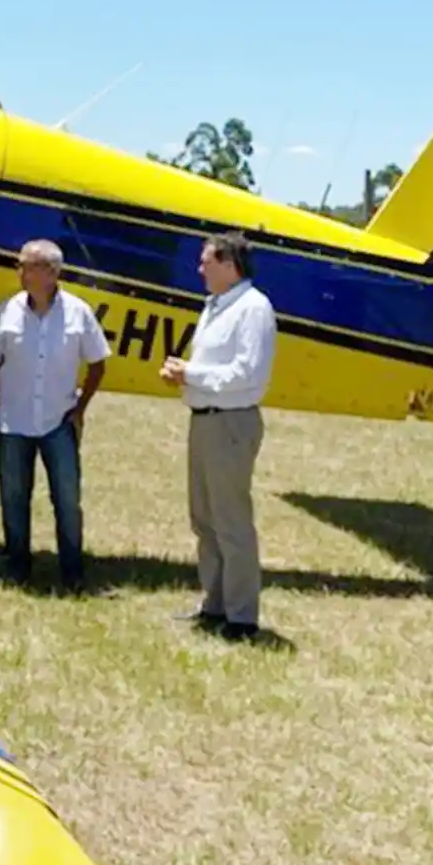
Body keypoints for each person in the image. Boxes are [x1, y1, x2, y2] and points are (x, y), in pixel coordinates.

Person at [158, 230, 276, 640]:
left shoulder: (253, 308)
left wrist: (189, 373)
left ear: (230, 265)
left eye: (207, 261)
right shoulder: (214, 306)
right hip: (205, 419)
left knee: (231, 521)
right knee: (204, 518)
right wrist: (185, 375)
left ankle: (242, 617)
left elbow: (248, 373)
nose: (200, 268)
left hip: (231, 424)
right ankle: (215, 604)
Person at [0, 239, 111, 591]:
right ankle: (18, 565)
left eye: (26, 265)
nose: (19, 271)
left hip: (58, 422)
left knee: (67, 499)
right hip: (13, 421)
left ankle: (73, 570)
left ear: (51, 273)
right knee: (14, 496)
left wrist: (80, 409)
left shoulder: (79, 312)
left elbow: (98, 363)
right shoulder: (7, 311)